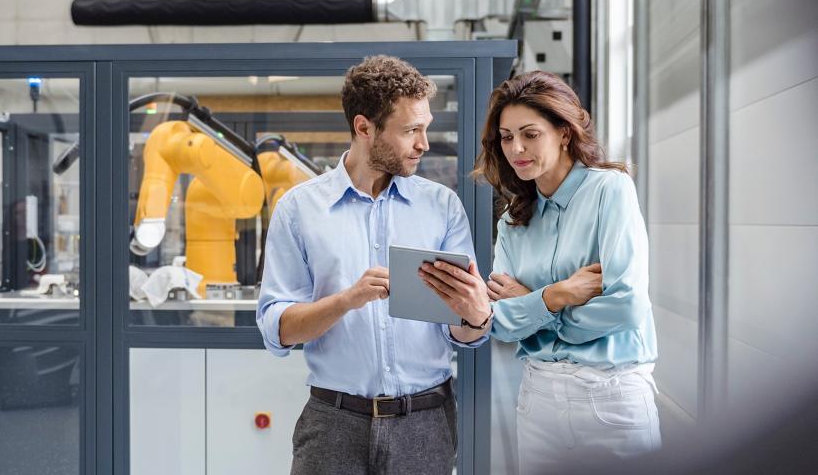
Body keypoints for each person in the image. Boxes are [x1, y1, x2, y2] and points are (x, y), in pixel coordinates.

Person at [256, 55, 491, 475]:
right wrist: (346, 300)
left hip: (425, 423)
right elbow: (279, 329)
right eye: (411, 131)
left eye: (425, 128)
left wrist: (476, 317)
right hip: (333, 424)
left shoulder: (442, 207)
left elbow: (463, 329)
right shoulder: (299, 209)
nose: (424, 143)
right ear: (364, 128)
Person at [420, 70, 660, 473]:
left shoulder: (609, 190)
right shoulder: (513, 219)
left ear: (564, 133)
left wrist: (532, 307)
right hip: (538, 398)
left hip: (611, 398)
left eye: (530, 134)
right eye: (507, 137)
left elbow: (625, 308)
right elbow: (498, 324)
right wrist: (557, 295)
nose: (517, 148)